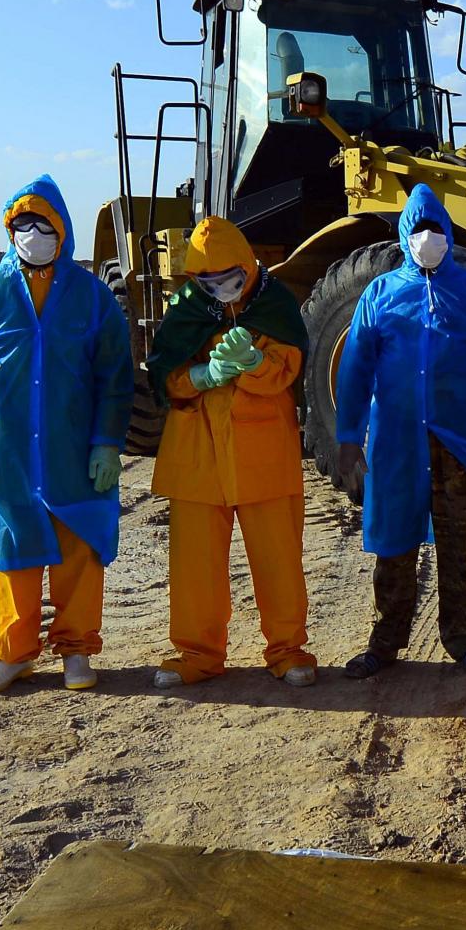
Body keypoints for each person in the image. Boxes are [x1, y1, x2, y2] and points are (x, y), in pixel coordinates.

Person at [0, 175, 135, 695]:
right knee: (14, 546)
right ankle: (14, 652)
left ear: (62, 230)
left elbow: (116, 373)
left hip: (75, 448)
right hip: (14, 452)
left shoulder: (91, 296)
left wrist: (108, 441)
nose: (31, 233)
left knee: (78, 549)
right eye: (21, 224)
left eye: (42, 224)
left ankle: (76, 650)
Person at [332, 184, 466, 677]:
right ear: (404, 235)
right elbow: (354, 369)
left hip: (458, 439)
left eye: (435, 228)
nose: (427, 237)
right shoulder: (380, 293)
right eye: (418, 229)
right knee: (393, 538)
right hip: (398, 441)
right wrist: (348, 437)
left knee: (461, 540)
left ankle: (461, 637)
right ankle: (385, 641)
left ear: (449, 232)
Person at [145, 215, 319, 689]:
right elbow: (166, 375)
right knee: (194, 565)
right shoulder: (185, 306)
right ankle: (198, 654)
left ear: (247, 265)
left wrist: (255, 364)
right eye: (209, 280)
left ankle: (288, 650)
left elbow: (288, 371)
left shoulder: (276, 303)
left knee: (278, 559)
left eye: (229, 278)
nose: (220, 288)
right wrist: (199, 377)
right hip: (198, 452)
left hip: (263, 450)